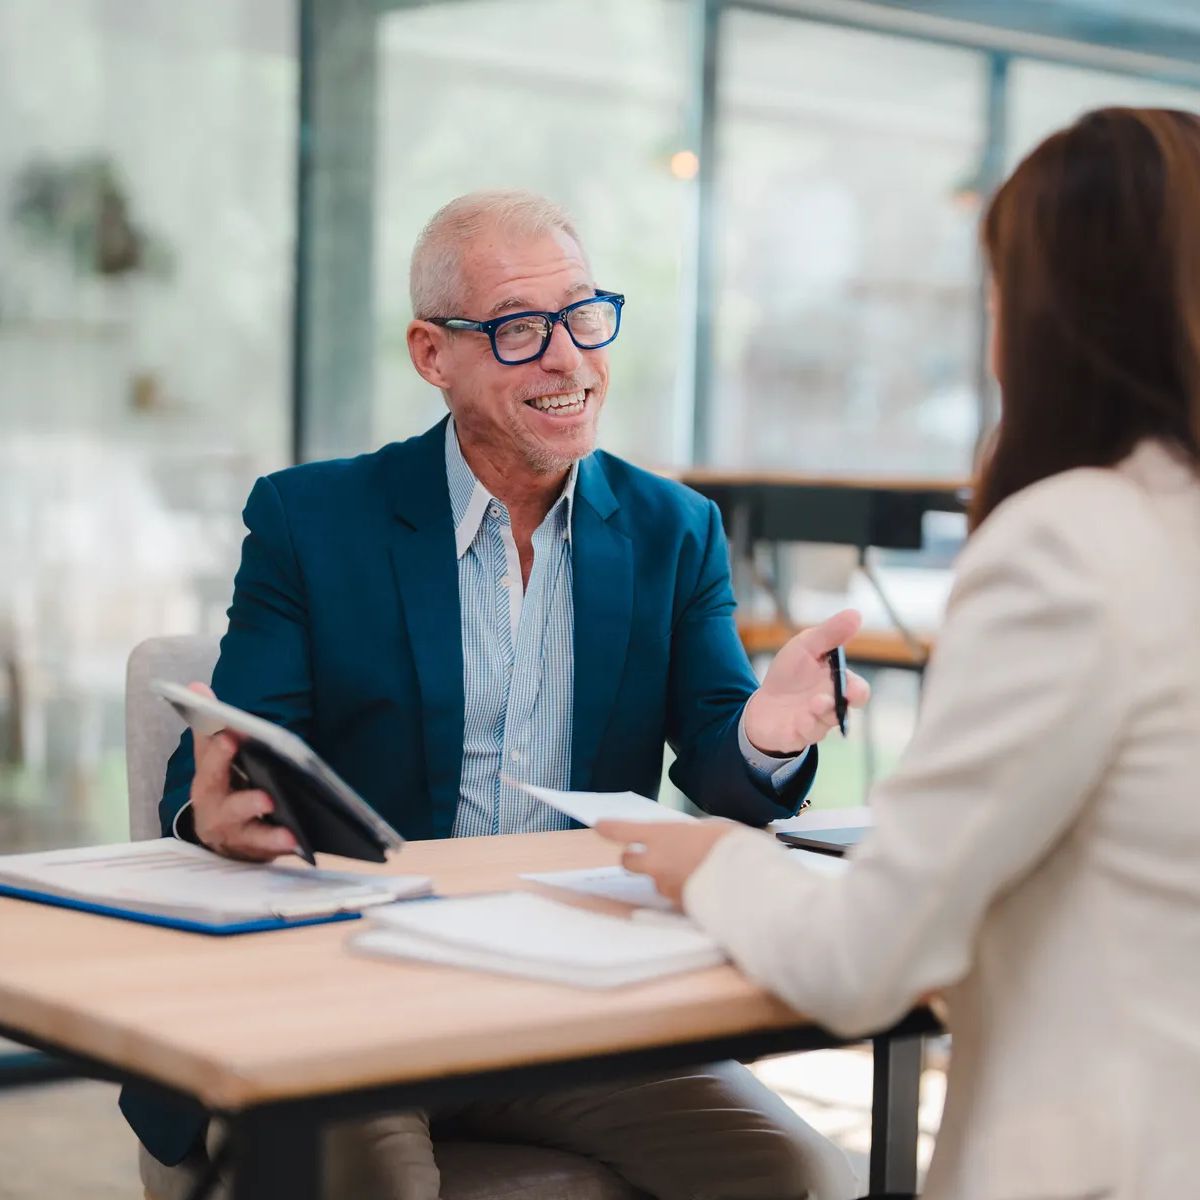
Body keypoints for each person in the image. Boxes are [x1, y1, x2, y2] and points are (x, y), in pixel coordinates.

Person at [127, 190, 867, 1200]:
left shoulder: (673, 531)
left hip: (569, 999)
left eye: (584, 316)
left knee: (801, 1176)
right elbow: (228, 758)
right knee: (373, 1183)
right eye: (521, 329)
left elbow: (721, 769)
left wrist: (767, 737)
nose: (569, 359)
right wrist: (210, 812)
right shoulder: (313, 520)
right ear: (433, 354)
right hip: (357, 989)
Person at [599, 107, 1200, 1200]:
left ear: (1058, 314)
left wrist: (714, 864)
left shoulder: (1071, 542)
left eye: (996, 298)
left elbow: (870, 958)